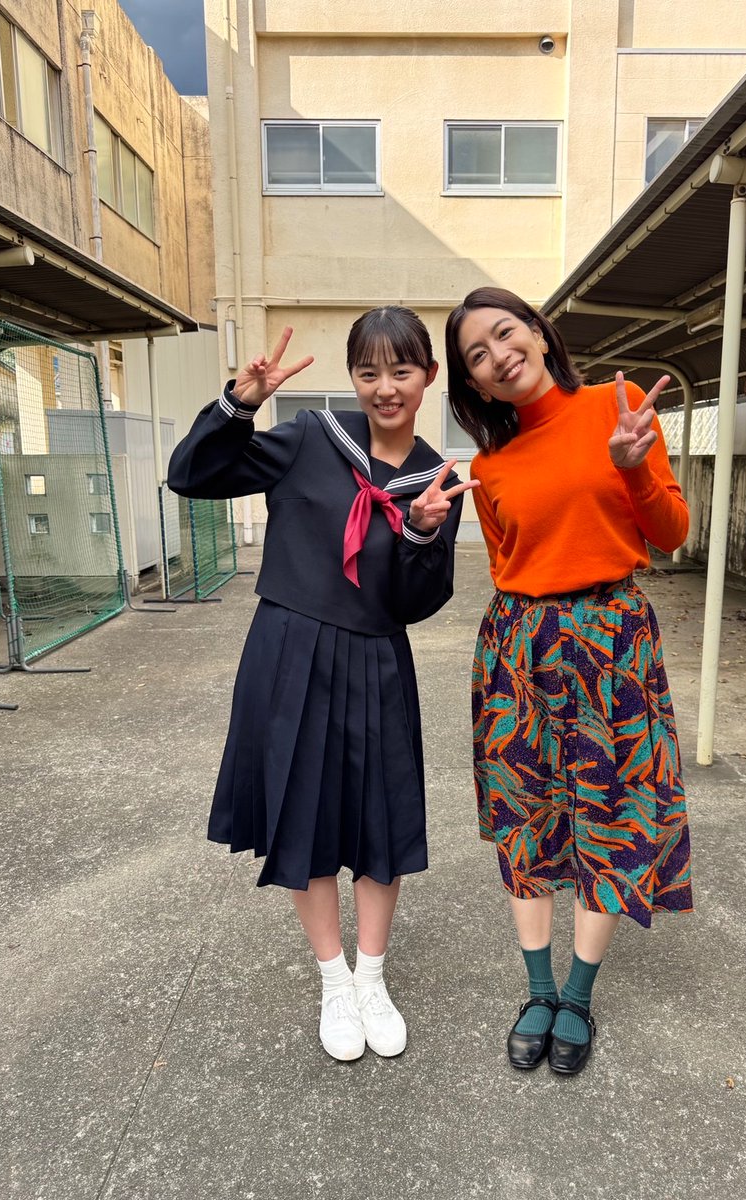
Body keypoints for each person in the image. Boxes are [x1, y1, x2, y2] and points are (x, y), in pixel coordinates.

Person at [168, 308, 477, 1062]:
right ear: (353, 379)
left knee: (380, 821)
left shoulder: (437, 480)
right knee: (301, 814)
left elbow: (417, 602)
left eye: (401, 371)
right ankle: (334, 981)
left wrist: (421, 531)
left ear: (428, 377)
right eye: (369, 372)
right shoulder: (311, 438)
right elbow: (192, 474)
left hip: (377, 659)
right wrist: (238, 405)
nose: (385, 387)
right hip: (289, 651)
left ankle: (372, 978)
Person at [445, 287, 692, 1075]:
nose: (498, 355)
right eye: (477, 355)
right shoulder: (489, 466)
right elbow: (506, 563)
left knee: (613, 811)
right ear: (474, 384)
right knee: (526, 814)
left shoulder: (616, 409)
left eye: (505, 332)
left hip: (613, 640)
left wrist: (633, 469)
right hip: (520, 647)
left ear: (540, 334)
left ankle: (578, 996)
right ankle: (539, 990)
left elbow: (671, 533)